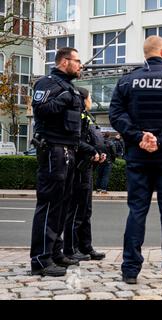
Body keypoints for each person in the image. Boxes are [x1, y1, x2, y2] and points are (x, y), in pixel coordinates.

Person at [109, 35, 162, 285]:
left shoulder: (127, 80)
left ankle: (130, 269)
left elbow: (115, 115)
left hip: (138, 155)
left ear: (145, 54)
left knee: (137, 210)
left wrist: (139, 137)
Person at [30, 47, 83, 277]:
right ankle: (40, 260)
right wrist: (64, 99)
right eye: (77, 61)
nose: (80, 65)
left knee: (62, 205)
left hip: (68, 150)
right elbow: (41, 111)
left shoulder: (68, 86)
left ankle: (54, 252)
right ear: (64, 61)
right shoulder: (46, 83)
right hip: (53, 150)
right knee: (49, 204)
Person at [63, 87, 106, 262]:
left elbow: (92, 139)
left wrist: (101, 152)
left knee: (86, 211)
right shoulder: (76, 116)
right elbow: (76, 141)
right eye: (89, 97)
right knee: (76, 211)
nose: (91, 101)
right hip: (79, 167)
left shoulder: (85, 116)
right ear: (83, 99)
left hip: (87, 166)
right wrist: (92, 150)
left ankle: (85, 247)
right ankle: (71, 249)